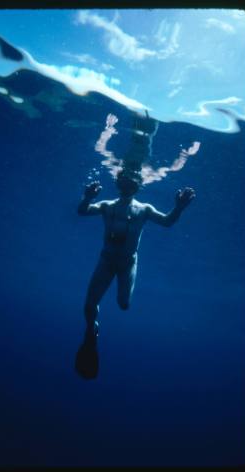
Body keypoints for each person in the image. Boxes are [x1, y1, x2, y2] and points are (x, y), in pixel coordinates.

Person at [75, 115, 196, 379]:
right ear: (118, 182)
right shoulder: (107, 205)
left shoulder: (144, 209)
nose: (127, 183)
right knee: (89, 304)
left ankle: (93, 326)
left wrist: (180, 207)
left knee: (123, 304)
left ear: (138, 185)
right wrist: (86, 198)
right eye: (123, 180)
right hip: (107, 260)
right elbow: (83, 212)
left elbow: (166, 222)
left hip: (127, 261)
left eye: (132, 181)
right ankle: (90, 330)